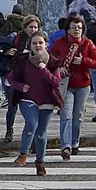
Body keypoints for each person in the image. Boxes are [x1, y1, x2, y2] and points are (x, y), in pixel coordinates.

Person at [48, 15, 96, 159]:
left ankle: (75, 143)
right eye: (73, 27)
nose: (77, 30)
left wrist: (84, 61)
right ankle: (65, 146)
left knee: (77, 116)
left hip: (82, 84)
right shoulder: (60, 43)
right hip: (66, 84)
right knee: (66, 115)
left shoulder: (87, 44)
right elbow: (50, 59)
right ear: (68, 29)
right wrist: (59, 68)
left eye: (79, 27)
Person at [10, 32, 63, 176]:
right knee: (31, 124)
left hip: (46, 101)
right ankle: (23, 154)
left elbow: (56, 82)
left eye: (40, 43)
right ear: (30, 46)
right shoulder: (23, 61)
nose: (38, 46)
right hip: (28, 99)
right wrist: (21, 87)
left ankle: (40, 162)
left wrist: (44, 69)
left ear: (46, 44)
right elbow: (11, 79)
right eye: (34, 43)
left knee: (41, 133)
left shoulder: (52, 62)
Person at [1, 16, 43, 143]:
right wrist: (7, 51)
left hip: (32, 79)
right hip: (14, 77)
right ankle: (9, 130)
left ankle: (33, 136)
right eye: (31, 27)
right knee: (12, 107)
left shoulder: (39, 40)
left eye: (36, 27)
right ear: (25, 28)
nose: (33, 30)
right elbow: (0, 47)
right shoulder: (16, 38)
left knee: (33, 108)